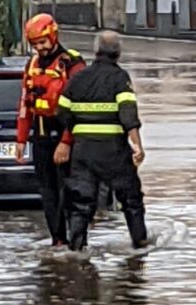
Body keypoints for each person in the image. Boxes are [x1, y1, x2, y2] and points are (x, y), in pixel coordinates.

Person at [53, 30, 147, 251]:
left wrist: (75, 130)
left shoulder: (79, 77)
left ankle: (76, 247)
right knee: (130, 197)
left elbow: (62, 111)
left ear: (96, 51)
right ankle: (140, 242)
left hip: (83, 150)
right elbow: (128, 115)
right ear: (118, 53)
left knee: (80, 200)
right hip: (113, 150)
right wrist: (137, 146)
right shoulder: (119, 78)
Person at [14, 13, 85, 246]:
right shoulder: (32, 65)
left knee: (70, 191)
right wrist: (21, 140)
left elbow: (79, 106)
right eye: (35, 44)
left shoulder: (72, 63)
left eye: (43, 43)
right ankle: (57, 240)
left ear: (53, 36)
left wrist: (66, 141)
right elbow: (26, 103)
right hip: (41, 134)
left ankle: (77, 241)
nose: (40, 48)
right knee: (48, 193)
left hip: (65, 134)